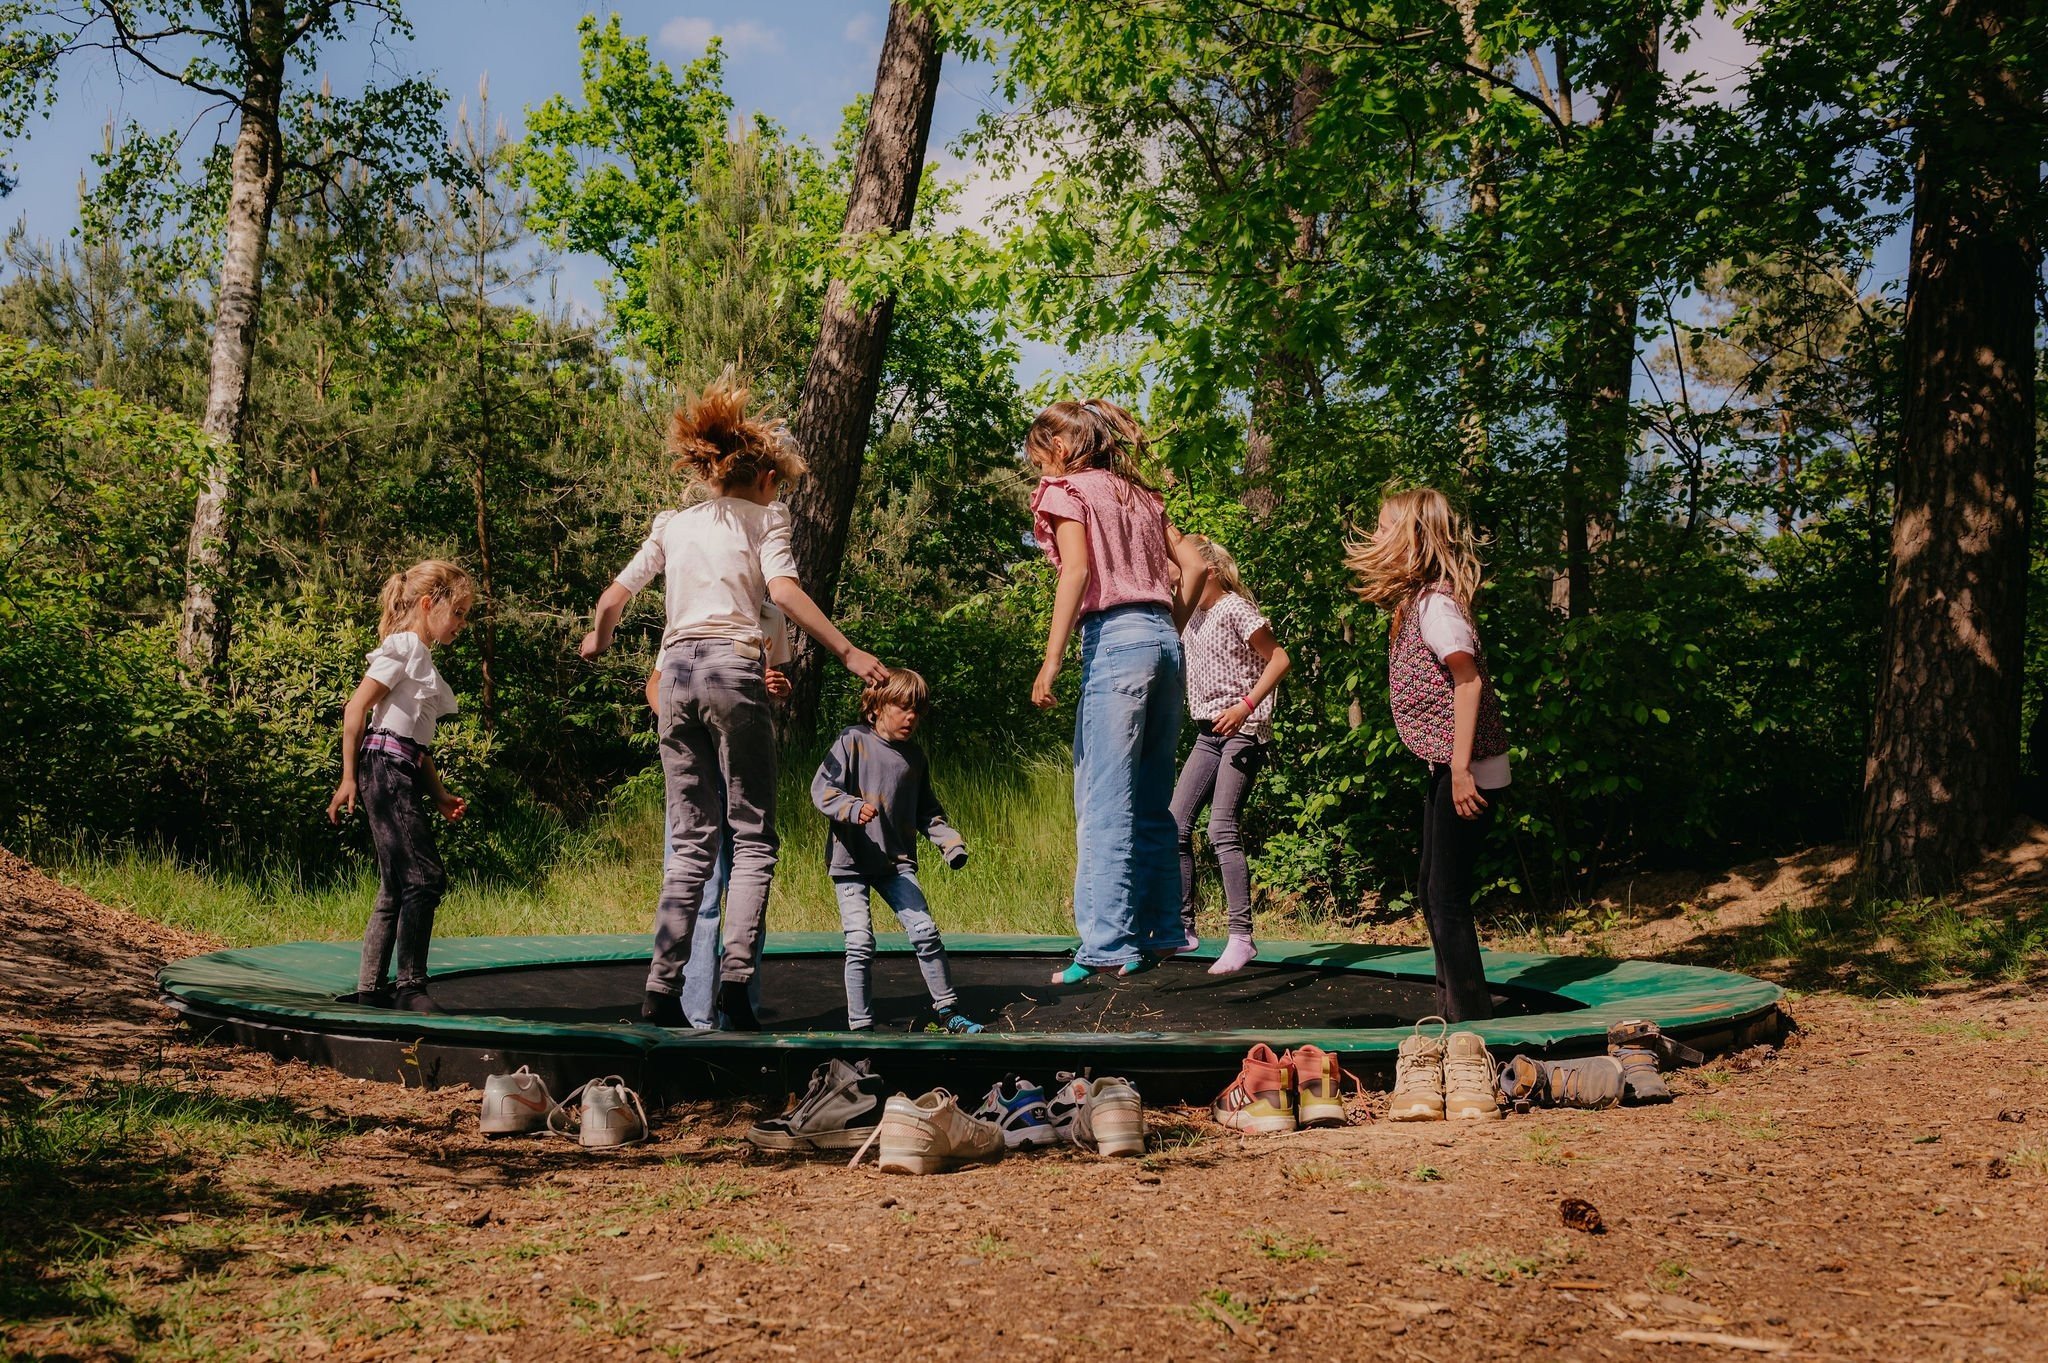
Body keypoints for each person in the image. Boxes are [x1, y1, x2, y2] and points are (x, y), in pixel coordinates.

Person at [580, 375, 889, 1030]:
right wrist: (847, 651)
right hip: (730, 668)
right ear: (768, 480)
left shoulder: (674, 522)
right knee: (751, 836)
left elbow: (611, 600)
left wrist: (598, 638)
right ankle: (735, 986)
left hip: (678, 677)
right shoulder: (767, 517)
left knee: (691, 840)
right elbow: (786, 592)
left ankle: (660, 992)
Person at [1027, 398, 1207, 984]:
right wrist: (1166, 631)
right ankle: (1158, 934)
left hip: (1115, 640)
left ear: (1059, 448)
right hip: (1162, 638)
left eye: (1037, 457)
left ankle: (1105, 944)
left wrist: (1052, 659)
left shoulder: (1068, 490)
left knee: (1103, 800)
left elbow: (1076, 573)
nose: (1038, 470)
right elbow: (1196, 568)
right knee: (1153, 798)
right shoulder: (1138, 494)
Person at [1345, 488, 1511, 1022]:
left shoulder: (1437, 606)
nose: (1376, 537)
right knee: (1431, 890)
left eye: (1384, 528)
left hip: (1467, 769)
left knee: (1446, 898)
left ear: (1412, 540)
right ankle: (1453, 1006)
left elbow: (1468, 682)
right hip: (1448, 766)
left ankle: (1471, 1021)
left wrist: (1461, 770)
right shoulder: (1416, 603)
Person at [326, 559, 473, 1013]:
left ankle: (372, 988)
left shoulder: (419, 657)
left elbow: (416, 747)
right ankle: (410, 986)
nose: (461, 625)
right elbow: (356, 710)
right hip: (382, 768)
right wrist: (348, 777)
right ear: (429, 604)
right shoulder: (406, 646)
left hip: (398, 768)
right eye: (459, 613)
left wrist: (441, 795)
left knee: (395, 886)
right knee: (424, 877)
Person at [811, 668, 983, 1033]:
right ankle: (860, 1024)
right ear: (876, 706)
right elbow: (823, 790)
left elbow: (928, 811)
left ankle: (948, 1010)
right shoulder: (852, 741)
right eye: (903, 707)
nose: (911, 717)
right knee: (859, 942)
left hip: (896, 863)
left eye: (917, 711)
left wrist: (949, 842)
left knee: (925, 931)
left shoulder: (914, 758)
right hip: (851, 862)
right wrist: (853, 808)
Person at [645, 603, 789, 1027]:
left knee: (744, 876)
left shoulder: (771, 616)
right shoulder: (695, 610)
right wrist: (689, 728)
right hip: (703, 755)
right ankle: (696, 1012)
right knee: (703, 885)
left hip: (741, 753)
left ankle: (738, 1011)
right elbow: (658, 686)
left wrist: (775, 689)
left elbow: (774, 684)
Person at [1171, 537, 1291, 975]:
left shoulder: (1235, 609)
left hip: (1243, 729)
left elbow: (1279, 660)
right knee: (1174, 823)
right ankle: (1183, 928)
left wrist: (1245, 705)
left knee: (1221, 825)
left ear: (1212, 570)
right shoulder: (1189, 617)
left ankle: (1241, 936)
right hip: (1207, 734)